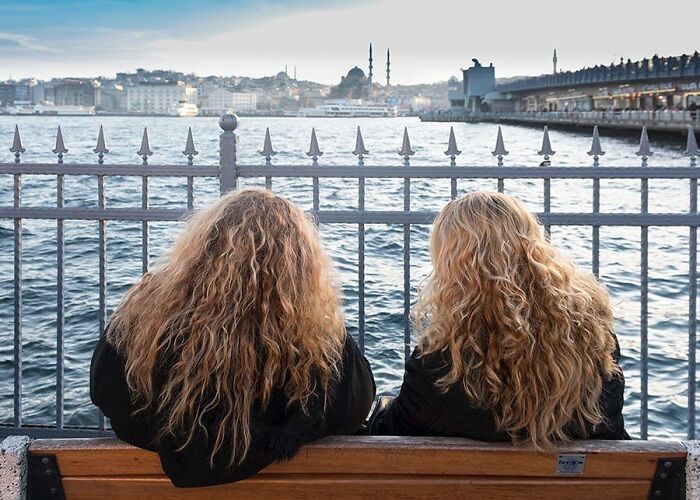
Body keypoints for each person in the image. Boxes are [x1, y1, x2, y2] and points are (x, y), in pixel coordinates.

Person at [91, 189, 375, 488]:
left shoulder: (145, 325)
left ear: (203, 247)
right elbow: (357, 404)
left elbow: (104, 389)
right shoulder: (319, 348)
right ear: (303, 266)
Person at [368, 192, 627, 445]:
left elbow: (392, 436)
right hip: (585, 486)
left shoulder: (443, 366)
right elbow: (608, 427)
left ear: (452, 265)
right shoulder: (594, 340)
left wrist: (380, 409)